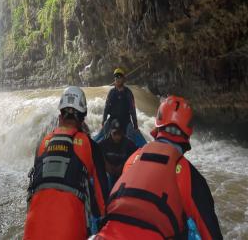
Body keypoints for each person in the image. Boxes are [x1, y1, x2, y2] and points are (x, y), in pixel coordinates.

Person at [95, 96, 223, 240]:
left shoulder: (133, 158)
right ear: (188, 131)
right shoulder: (188, 174)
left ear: (158, 123)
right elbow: (211, 234)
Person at [24, 86, 109, 240]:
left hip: (31, 233)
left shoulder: (42, 144)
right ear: (83, 118)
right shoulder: (90, 146)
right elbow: (102, 198)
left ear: (60, 117)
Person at [98, 119, 137, 187]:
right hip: (108, 171)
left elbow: (136, 156)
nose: (117, 137)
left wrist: (123, 166)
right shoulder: (103, 143)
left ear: (123, 133)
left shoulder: (129, 144)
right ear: (110, 132)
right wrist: (105, 164)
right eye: (114, 133)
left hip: (122, 171)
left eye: (119, 134)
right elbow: (96, 153)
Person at [102, 68, 138, 135]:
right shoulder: (111, 92)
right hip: (113, 120)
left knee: (129, 133)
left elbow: (133, 110)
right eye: (116, 77)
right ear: (114, 79)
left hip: (125, 121)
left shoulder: (128, 93)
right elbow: (106, 107)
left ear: (123, 79)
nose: (117, 79)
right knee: (106, 130)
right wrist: (103, 120)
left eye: (119, 77)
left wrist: (135, 125)